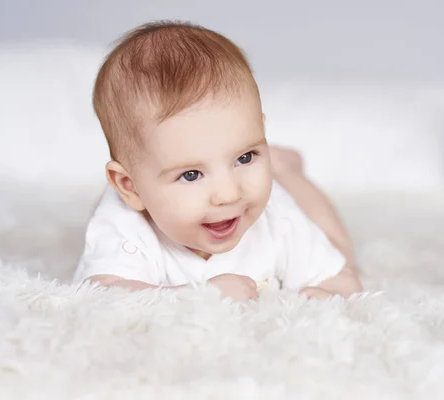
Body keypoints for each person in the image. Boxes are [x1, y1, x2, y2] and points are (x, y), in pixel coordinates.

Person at [73, 20, 362, 301]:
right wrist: (195, 296)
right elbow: (102, 296)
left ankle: (285, 168)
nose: (229, 194)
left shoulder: (276, 216)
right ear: (131, 188)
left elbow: (344, 281)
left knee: (341, 251)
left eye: (245, 157)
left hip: (282, 200)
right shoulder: (125, 225)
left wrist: (329, 292)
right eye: (191, 175)